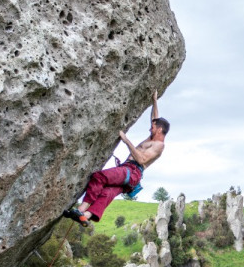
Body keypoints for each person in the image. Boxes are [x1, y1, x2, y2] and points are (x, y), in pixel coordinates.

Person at [64, 90, 169, 226]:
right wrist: (155, 100)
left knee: (100, 177)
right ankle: (86, 216)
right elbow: (155, 119)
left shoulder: (159, 145)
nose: (150, 129)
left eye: (153, 128)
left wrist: (126, 140)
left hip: (132, 171)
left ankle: (81, 209)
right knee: (107, 193)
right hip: (130, 174)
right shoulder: (153, 137)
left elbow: (142, 159)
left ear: (159, 130)